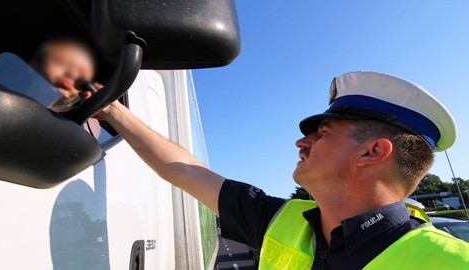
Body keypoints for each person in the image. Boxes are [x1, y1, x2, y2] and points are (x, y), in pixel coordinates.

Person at [96, 71, 469, 269]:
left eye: (322, 133)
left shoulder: (452, 263)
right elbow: (185, 171)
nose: (300, 142)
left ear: (372, 152)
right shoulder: (280, 221)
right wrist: (110, 108)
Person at [29, 37, 104, 138]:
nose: (72, 74)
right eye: (60, 62)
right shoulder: (3, 93)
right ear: (34, 65)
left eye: (81, 75)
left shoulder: (86, 124)